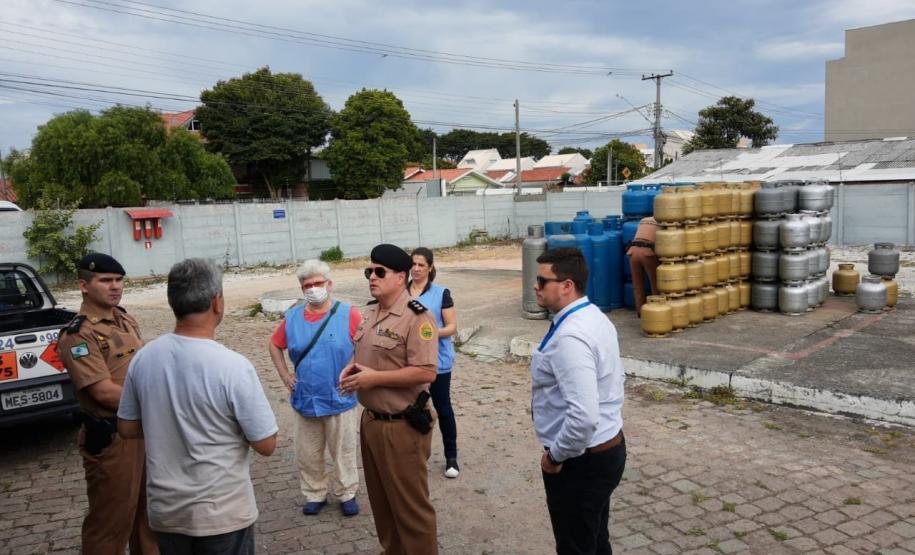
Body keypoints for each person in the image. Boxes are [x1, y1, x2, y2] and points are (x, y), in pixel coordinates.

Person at [117, 258, 278, 555]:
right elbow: (266, 443)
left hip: (166, 511)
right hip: (222, 513)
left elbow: (126, 427)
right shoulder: (232, 366)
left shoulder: (145, 357)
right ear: (217, 302)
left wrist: (165, 425)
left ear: (171, 301)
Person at [339, 243, 440, 555]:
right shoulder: (370, 312)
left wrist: (373, 378)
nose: (372, 276)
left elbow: (426, 372)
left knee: (411, 510)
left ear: (401, 277)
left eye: (379, 272)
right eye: (369, 271)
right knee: (383, 506)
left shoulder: (417, 317)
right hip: (372, 422)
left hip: (401, 425)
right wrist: (353, 369)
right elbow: (370, 357)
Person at [56, 253, 159, 555]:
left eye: (118, 280)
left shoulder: (125, 319)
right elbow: (103, 392)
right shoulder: (78, 335)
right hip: (113, 439)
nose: (115, 287)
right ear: (84, 286)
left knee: (150, 519)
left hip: (142, 431)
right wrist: (159, 399)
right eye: (105, 281)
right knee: (111, 524)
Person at [531, 247, 626, 555]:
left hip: (581, 461)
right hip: (605, 448)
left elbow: (583, 416)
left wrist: (555, 457)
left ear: (567, 285)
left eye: (542, 280)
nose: (535, 286)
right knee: (595, 539)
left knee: (576, 546)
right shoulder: (592, 316)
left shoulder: (571, 336)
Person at [268, 259, 362, 517]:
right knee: (308, 452)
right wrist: (285, 375)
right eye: (307, 285)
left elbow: (364, 343)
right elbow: (274, 344)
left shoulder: (348, 313)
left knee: (343, 451)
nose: (312, 289)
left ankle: (347, 493)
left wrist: (354, 368)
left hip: (339, 396)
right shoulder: (293, 318)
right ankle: (314, 493)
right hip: (306, 398)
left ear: (329, 284)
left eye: (317, 283)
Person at [408, 247, 460, 478]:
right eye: (413, 264)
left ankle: (451, 457)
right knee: (410, 407)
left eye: (421, 265)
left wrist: (429, 334)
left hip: (437, 361)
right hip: (410, 361)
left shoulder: (441, 293)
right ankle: (412, 455)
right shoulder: (402, 291)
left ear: (430, 267)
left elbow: (451, 327)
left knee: (443, 407)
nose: (416, 269)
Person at [627, 215, 660, 316]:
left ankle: (640, 311)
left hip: (632, 251)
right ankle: (657, 310)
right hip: (647, 252)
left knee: (637, 284)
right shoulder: (663, 222)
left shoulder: (643, 220)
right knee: (655, 283)